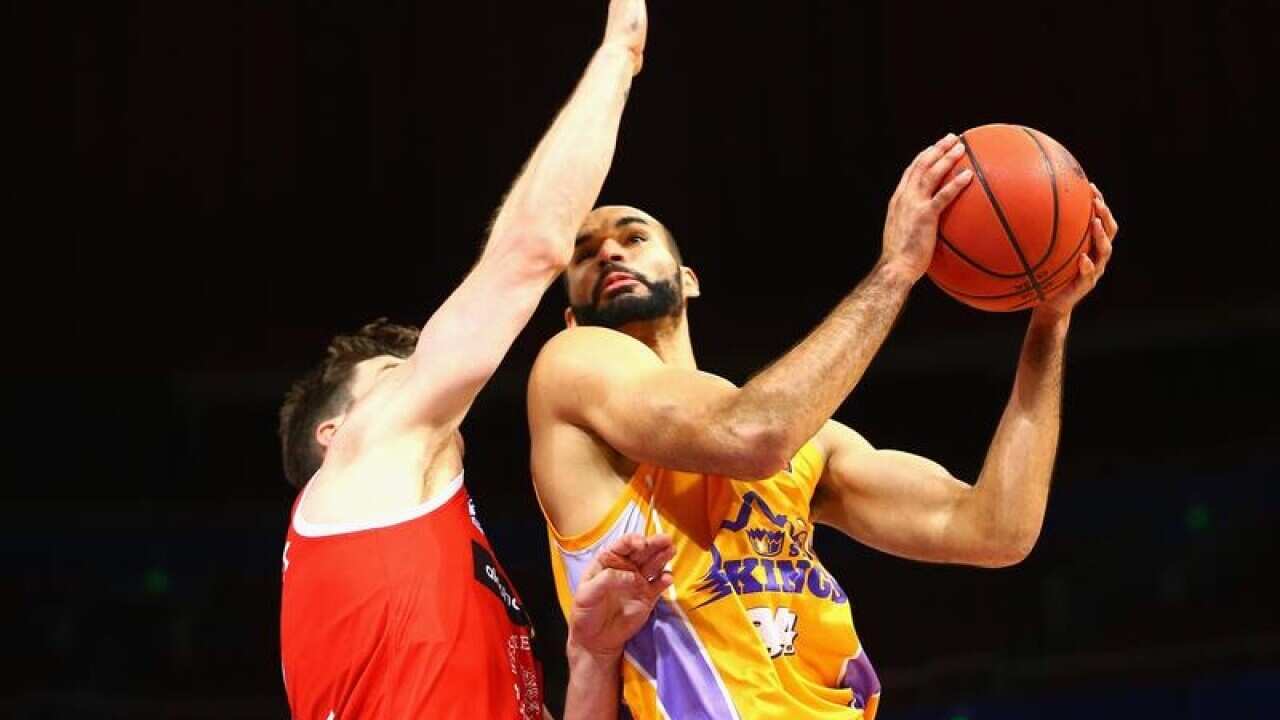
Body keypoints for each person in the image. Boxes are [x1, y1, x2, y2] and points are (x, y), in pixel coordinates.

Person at [527, 133, 1119, 718]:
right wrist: (896, 270)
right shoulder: (573, 364)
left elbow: (995, 530)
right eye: (584, 252)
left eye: (633, 237)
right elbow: (752, 435)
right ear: (572, 319)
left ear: (688, 279)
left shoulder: (811, 440)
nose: (608, 252)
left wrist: (1049, 323)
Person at [276, 1, 666, 717]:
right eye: (399, 377)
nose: (424, 383)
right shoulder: (364, 461)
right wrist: (621, 53)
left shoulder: (456, 577)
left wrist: (591, 658)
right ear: (336, 436)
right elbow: (529, 254)